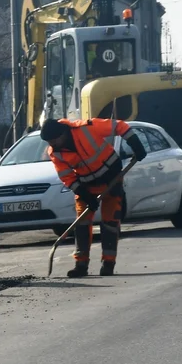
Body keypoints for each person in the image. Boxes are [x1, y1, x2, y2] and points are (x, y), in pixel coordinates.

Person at [39, 117, 146, 277]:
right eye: (49, 142)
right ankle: (81, 265)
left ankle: (108, 263)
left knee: (110, 221)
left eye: (53, 140)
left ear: (62, 134)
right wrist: (85, 195)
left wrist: (135, 144)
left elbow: (120, 126)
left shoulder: (86, 128)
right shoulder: (55, 153)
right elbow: (67, 177)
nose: (51, 145)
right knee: (82, 223)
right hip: (87, 185)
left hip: (112, 177)